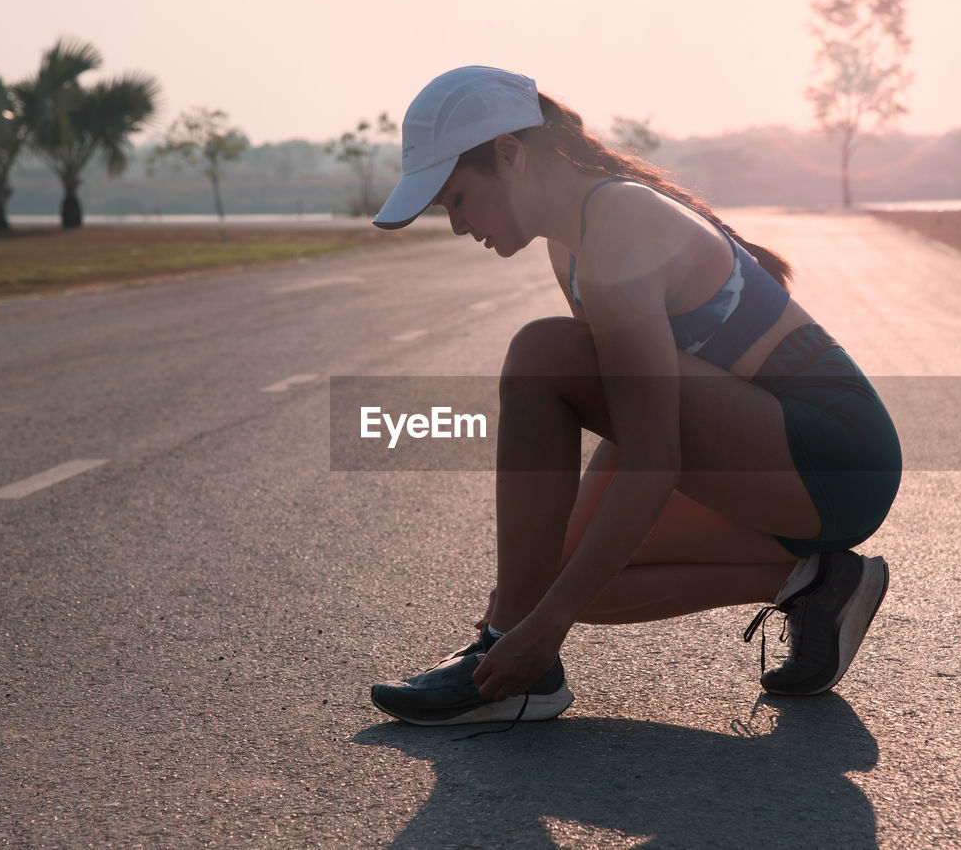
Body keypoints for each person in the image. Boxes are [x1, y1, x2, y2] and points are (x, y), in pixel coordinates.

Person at [368, 66, 901, 727]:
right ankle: (817, 586)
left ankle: (513, 665)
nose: (455, 225)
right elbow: (629, 419)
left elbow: (654, 457)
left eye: (457, 199)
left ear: (509, 157)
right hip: (772, 458)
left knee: (540, 355)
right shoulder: (571, 244)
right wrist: (534, 599)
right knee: (560, 574)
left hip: (835, 454)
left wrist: (539, 627)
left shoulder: (618, 226)